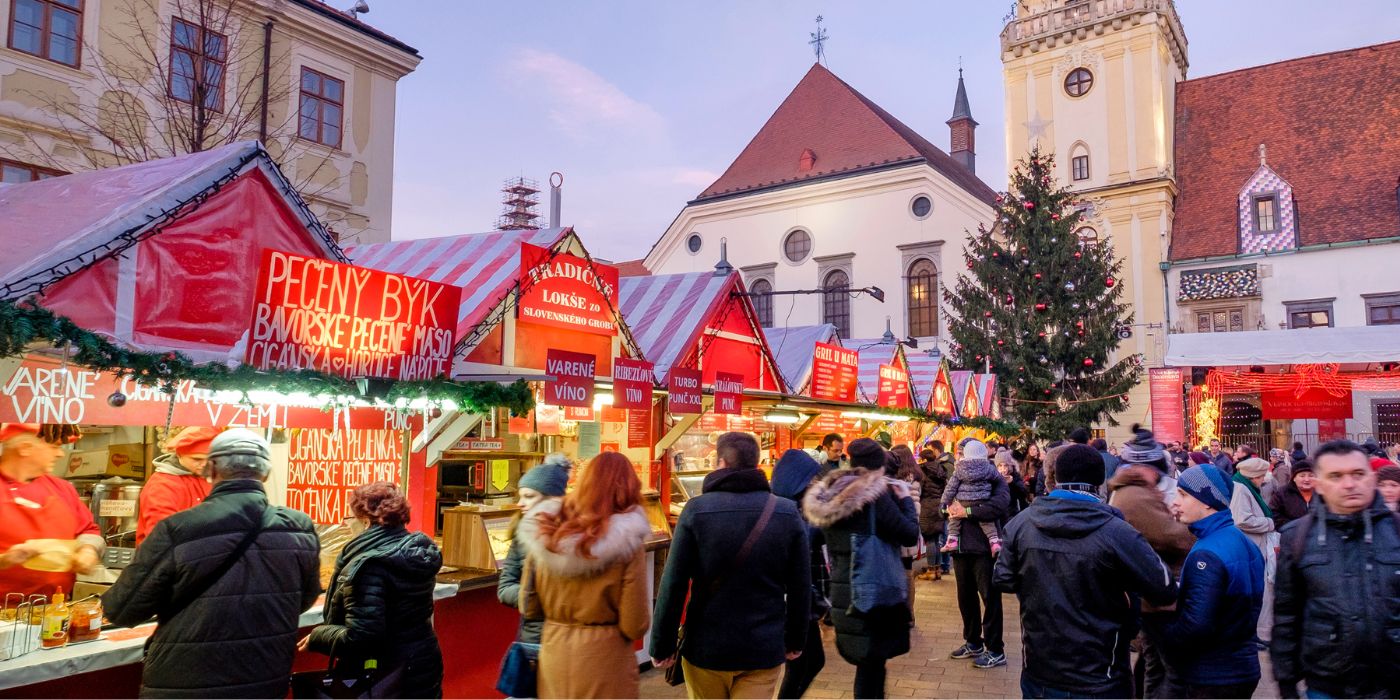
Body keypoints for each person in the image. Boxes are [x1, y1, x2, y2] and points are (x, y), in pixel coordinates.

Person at [103, 428, 320, 698]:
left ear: (211, 470)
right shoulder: (299, 527)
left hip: (184, 684)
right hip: (266, 679)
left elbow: (122, 609)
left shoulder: (178, 529)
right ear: (265, 473)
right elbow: (306, 597)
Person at [996, 444, 1178, 699]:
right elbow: (1164, 587)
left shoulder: (1021, 523)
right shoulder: (1118, 531)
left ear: (1055, 477)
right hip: (1101, 674)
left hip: (1042, 668)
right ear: (1099, 480)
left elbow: (1004, 577)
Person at [650, 433, 809, 700]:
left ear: (720, 462)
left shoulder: (696, 510)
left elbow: (674, 583)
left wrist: (662, 644)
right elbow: (800, 584)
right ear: (757, 463)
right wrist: (795, 639)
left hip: (706, 647)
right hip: (763, 647)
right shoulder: (786, 512)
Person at [1272, 440, 1400, 699]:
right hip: (1327, 684)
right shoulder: (1297, 537)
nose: (1349, 484)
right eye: (1336, 476)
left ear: (1372, 477)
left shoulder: (1397, 531)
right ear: (1319, 483)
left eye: (1357, 474)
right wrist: (1287, 684)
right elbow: (1286, 616)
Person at [521, 451, 652, 699]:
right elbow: (635, 624)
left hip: (554, 654)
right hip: (606, 662)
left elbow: (528, 605)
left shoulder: (548, 530)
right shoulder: (628, 543)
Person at [302, 482, 444, 698]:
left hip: (383, 674)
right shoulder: (415, 552)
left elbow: (362, 638)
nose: (349, 525)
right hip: (422, 663)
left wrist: (318, 636)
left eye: (351, 519)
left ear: (366, 521)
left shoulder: (367, 566)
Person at [803, 437, 918, 698]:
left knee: (866, 665)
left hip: (844, 594)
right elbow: (910, 534)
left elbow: (813, 539)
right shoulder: (877, 497)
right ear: (878, 467)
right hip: (872, 592)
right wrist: (906, 500)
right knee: (872, 669)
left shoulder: (832, 494)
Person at [1153, 465, 1264, 699]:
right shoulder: (1241, 541)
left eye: (1183, 495)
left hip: (1212, 674)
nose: (1176, 502)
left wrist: (1161, 634)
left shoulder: (1207, 553)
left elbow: (1196, 626)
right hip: (1241, 666)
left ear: (1207, 500)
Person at [1107, 458, 1195, 700]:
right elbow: (1170, 537)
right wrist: (1192, 525)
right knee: (1169, 669)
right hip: (1156, 595)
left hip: (1148, 593)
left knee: (1152, 663)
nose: (1158, 477)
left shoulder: (1128, 490)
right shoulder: (1135, 495)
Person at [0, 423, 103, 598]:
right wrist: (5, 560)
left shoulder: (62, 488)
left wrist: (88, 550)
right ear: (25, 448)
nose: (61, 453)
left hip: (54, 608)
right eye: (54, 446)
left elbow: (89, 530)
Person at [945, 438, 1010, 670]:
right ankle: (973, 641)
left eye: (964, 453)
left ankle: (995, 649)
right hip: (961, 548)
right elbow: (948, 499)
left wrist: (967, 511)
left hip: (985, 549)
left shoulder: (994, 478)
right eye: (960, 453)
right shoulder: (959, 475)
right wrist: (950, 508)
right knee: (966, 597)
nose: (962, 458)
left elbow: (999, 505)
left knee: (990, 598)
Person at [769, 449, 829, 700]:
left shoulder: (801, 508)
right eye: (812, 479)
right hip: (791, 601)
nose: (816, 483)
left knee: (810, 661)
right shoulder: (786, 513)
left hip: (802, 601)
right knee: (802, 662)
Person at [497, 453, 571, 645]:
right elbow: (505, 587)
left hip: (570, 638)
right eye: (520, 496)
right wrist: (532, 597)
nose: (520, 503)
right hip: (534, 637)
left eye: (529, 497)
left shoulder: (578, 535)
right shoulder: (521, 536)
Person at [136, 426, 220, 544]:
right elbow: (161, 536)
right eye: (197, 459)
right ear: (179, 455)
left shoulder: (210, 478)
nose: (204, 465)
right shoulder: (162, 485)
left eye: (210, 459)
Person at [1230, 457, 1278, 645]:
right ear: (1252, 477)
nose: (1263, 480)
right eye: (1260, 477)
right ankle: (1256, 633)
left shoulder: (1245, 487)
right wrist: (1269, 523)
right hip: (1252, 545)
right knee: (1259, 590)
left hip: (1255, 545)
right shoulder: (1241, 489)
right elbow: (1241, 519)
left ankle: (1257, 632)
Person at [939, 440, 1003, 555]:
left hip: (964, 501)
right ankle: (994, 542)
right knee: (987, 521)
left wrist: (946, 502)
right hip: (983, 500)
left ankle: (952, 540)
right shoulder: (988, 468)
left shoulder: (960, 468)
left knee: (954, 518)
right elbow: (997, 478)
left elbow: (951, 487)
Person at [889, 445, 923, 619]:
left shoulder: (897, 482)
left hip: (898, 529)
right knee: (908, 571)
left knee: (899, 571)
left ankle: (901, 612)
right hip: (911, 529)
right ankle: (909, 613)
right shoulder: (915, 479)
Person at [916, 446, 950, 581]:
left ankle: (931, 570)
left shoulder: (923, 471)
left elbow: (920, 490)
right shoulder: (941, 469)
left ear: (923, 459)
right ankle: (937, 569)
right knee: (936, 540)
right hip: (939, 506)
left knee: (929, 539)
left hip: (927, 506)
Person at [1269, 460, 1316, 529]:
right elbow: (1274, 515)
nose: (1307, 479)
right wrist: (1294, 527)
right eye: (1302, 476)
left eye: (1311, 475)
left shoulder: (1323, 493)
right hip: (1291, 535)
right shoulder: (1282, 494)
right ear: (1294, 478)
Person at [996, 450, 1030, 517]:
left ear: (1009, 466)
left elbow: (1023, 493)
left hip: (1012, 512)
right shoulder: (993, 477)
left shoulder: (1014, 476)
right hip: (998, 512)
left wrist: (1012, 483)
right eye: (1000, 466)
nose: (1003, 469)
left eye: (1005, 466)